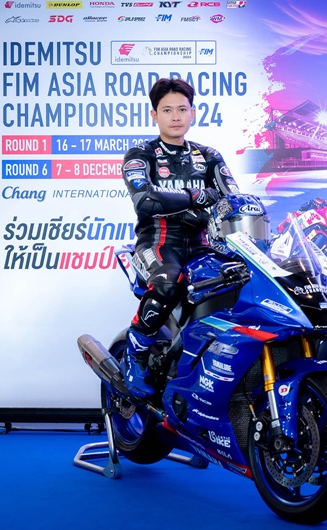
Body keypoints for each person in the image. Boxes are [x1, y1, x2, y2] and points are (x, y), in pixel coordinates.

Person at [121, 78, 241, 398]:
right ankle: (135, 353)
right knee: (168, 282)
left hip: (204, 244)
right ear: (154, 115)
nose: (175, 116)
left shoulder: (209, 155)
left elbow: (233, 201)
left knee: (241, 283)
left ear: (193, 113)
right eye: (167, 110)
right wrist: (196, 196)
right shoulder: (140, 154)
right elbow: (146, 201)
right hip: (158, 243)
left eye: (182, 109)